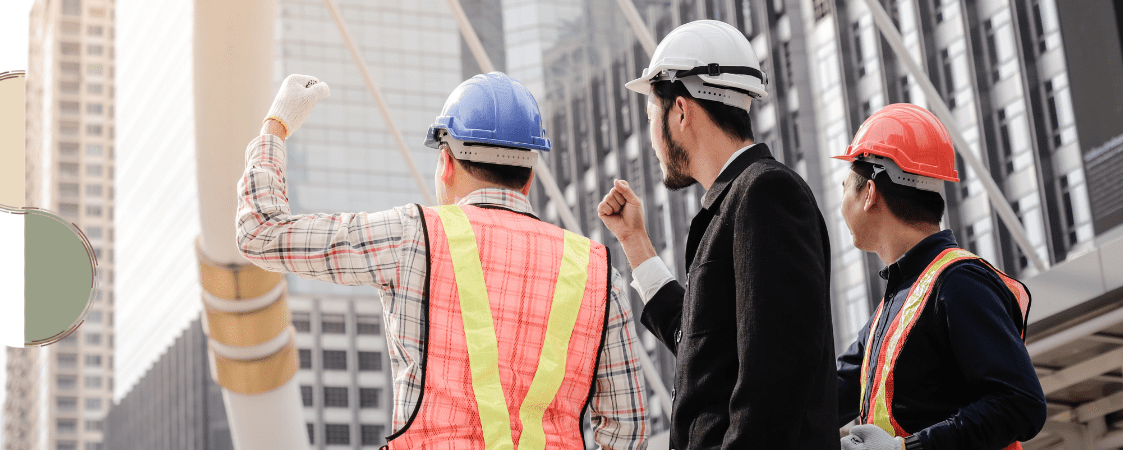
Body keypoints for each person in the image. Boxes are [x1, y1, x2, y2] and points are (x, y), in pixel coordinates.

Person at [237, 72, 649, 449]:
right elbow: (628, 428)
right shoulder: (595, 270)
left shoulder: (414, 235)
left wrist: (275, 127)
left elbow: (260, 232)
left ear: (446, 162)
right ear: (529, 176)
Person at [597, 20, 837, 449]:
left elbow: (773, 383)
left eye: (651, 114)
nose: (651, 139)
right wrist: (636, 243)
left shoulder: (765, 194)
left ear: (681, 111)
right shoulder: (739, 200)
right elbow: (703, 349)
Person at [833, 103, 1046, 450]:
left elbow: (1021, 403)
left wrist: (908, 449)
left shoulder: (959, 282)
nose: (841, 202)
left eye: (845, 186)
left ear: (870, 193)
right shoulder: (894, 306)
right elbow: (827, 396)